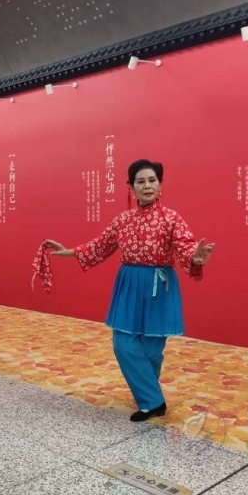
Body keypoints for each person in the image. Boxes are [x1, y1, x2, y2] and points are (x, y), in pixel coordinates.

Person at [45, 159, 214, 422]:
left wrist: (196, 257)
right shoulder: (122, 220)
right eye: (140, 181)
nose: (147, 186)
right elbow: (99, 246)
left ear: (159, 185)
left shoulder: (172, 218)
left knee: (152, 349)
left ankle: (149, 400)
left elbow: (186, 247)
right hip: (129, 284)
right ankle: (153, 399)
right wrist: (68, 251)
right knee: (123, 343)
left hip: (159, 287)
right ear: (131, 187)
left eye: (152, 180)